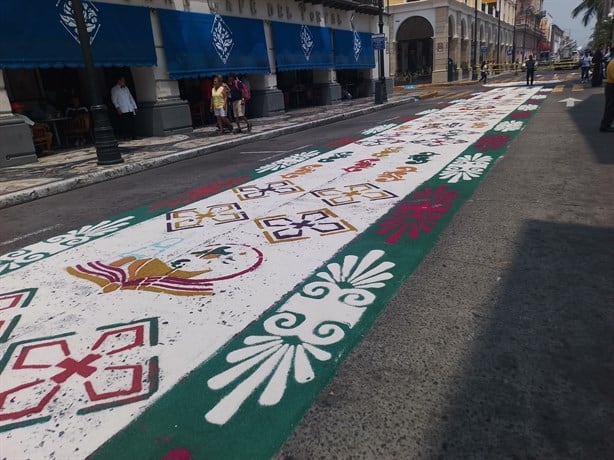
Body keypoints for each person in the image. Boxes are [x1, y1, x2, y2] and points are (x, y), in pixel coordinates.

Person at [111, 76, 137, 140]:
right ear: (119, 81)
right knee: (124, 123)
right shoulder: (114, 89)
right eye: (122, 80)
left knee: (131, 123)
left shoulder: (126, 88)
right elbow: (114, 100)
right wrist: (117, 108)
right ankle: (126, 136)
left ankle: (133, 135)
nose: (124, 82)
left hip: (129, 108)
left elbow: (130, 97)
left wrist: (135, 106)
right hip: (123, 109)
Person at [599, 48, 614, 133]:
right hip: (611, 87)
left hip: (610, 87)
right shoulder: (613, 64)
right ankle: (605, 125)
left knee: (611, 107)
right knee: (610, 108)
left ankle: (606, 124)